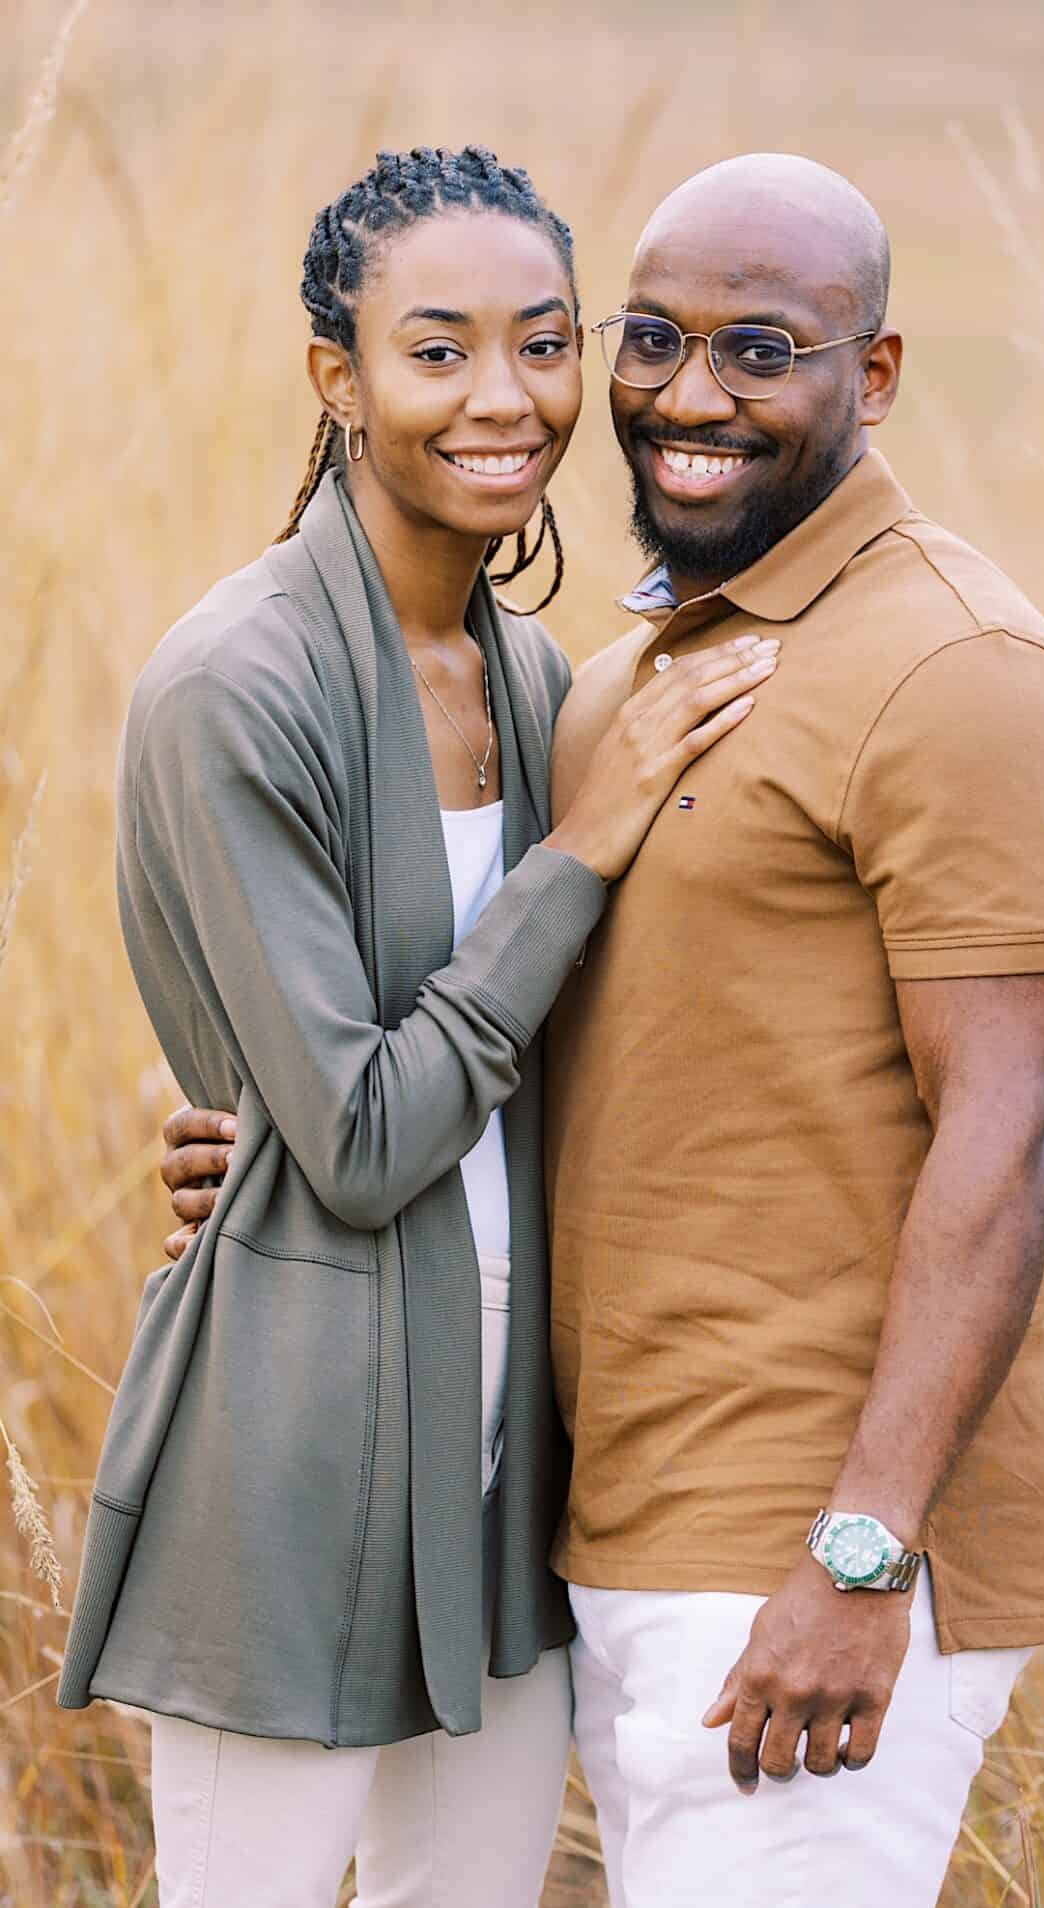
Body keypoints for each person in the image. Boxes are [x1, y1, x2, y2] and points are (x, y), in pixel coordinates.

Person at [162, 152, 1044, 1907]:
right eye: (653, 340)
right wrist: (281, 1138)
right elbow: (556, 1037)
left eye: (761, 350)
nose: (691, 396)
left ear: (873, 375)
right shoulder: (617, 680)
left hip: (806, 1555)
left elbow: (1019, 1131)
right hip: (597, 1521)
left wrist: (862, 1556)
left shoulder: (962, 671)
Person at [61, 148, 770, 1908]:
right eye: (437, 351)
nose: (504, 398)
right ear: (339, 376)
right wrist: (584, 848)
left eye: (544, 343)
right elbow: (366, 1139)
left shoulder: (539, 684)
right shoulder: (237, 686)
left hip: (510, 1464)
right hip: (294, 1451)